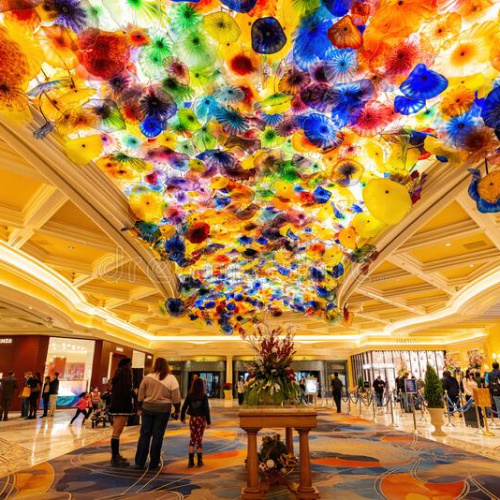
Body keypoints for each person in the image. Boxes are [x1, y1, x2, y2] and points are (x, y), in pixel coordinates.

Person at [135, 357, 181, 470]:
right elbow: (176, 397)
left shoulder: (147, 378)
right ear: (166, 366)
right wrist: (177, 410)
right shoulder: (171, 378)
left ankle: (140, 462)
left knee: (144, 434)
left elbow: (140, 394)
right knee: (158, 435)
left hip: (147, 408)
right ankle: (154, 463)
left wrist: (139, 407)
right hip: (163, 410)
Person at [109, 357, 135, 467]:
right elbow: (126, 392)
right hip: (122, 406)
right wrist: (134, 393)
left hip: (116, 404)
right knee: (116, 432)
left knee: (117, 432)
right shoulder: (125, 374)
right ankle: (115, 457)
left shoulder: (117, 375)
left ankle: (116, 455)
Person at [181, 377, 211, 468]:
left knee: (192, 439)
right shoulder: (204, 396)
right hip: (201, 419)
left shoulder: (190, 395)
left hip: (193, 419)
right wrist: (208, 421)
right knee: (199, 439)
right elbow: (206, 410)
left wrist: (182, 417)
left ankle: (190, 461)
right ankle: (199, 461)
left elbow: (184, 407)